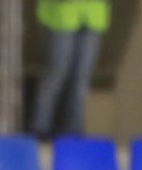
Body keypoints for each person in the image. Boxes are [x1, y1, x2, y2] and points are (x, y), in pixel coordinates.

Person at [31, 0, 111, 139]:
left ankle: (74, 132)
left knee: (82, 80)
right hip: (61, 14)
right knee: (56, 75)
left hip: (93, 15)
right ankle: (41, 129)